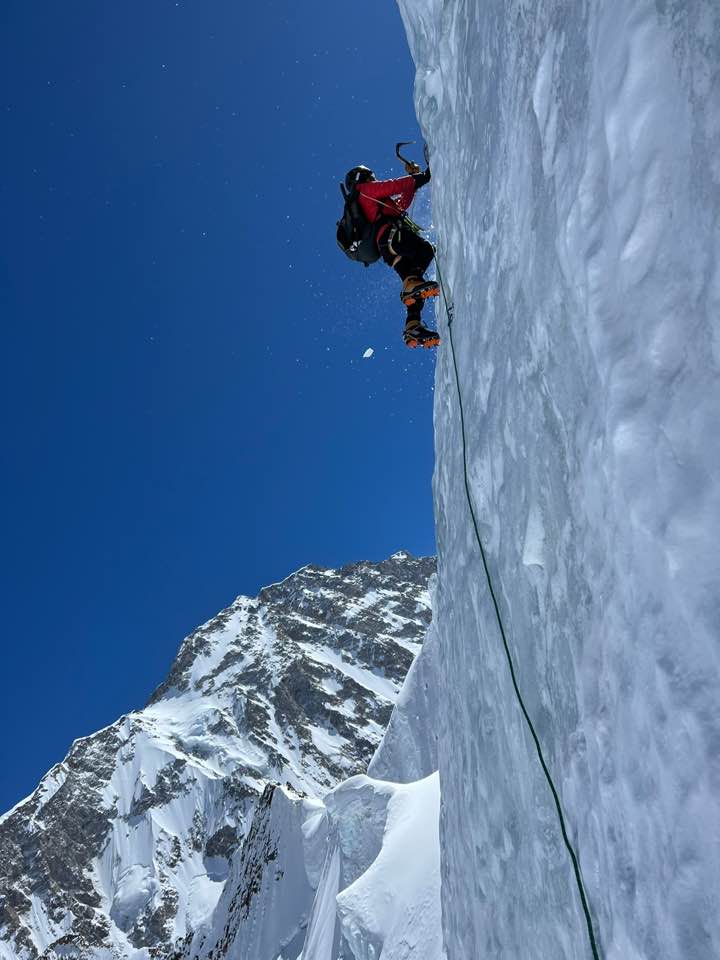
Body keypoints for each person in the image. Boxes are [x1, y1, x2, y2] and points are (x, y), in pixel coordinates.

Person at [345, 162, 440, 348]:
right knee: (425, 250)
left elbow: (401, 204)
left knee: (415, 284)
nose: (373, 179)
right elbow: (395, 185)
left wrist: (414, 180)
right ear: (361, 178)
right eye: (370, 176)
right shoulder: (364, 190)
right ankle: (410, 288)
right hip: (392, 237)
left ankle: (413, 326)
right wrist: (423, 176)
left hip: (388, 249)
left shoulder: (372, 201)